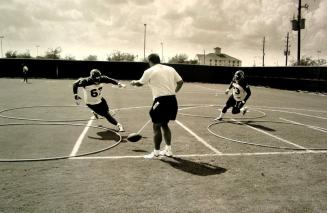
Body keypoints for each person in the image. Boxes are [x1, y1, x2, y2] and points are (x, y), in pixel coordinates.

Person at [130, 53, 183, 159]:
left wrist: (134, 82)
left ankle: (156, 152)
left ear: (150, 61)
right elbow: (180, 82)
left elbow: (141, 83)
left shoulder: (149, 71)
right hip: (172, 100)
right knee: (164, 125)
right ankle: (168, 150)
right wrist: (174, 92)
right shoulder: (170, 68)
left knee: (156, 126)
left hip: (160, 101)